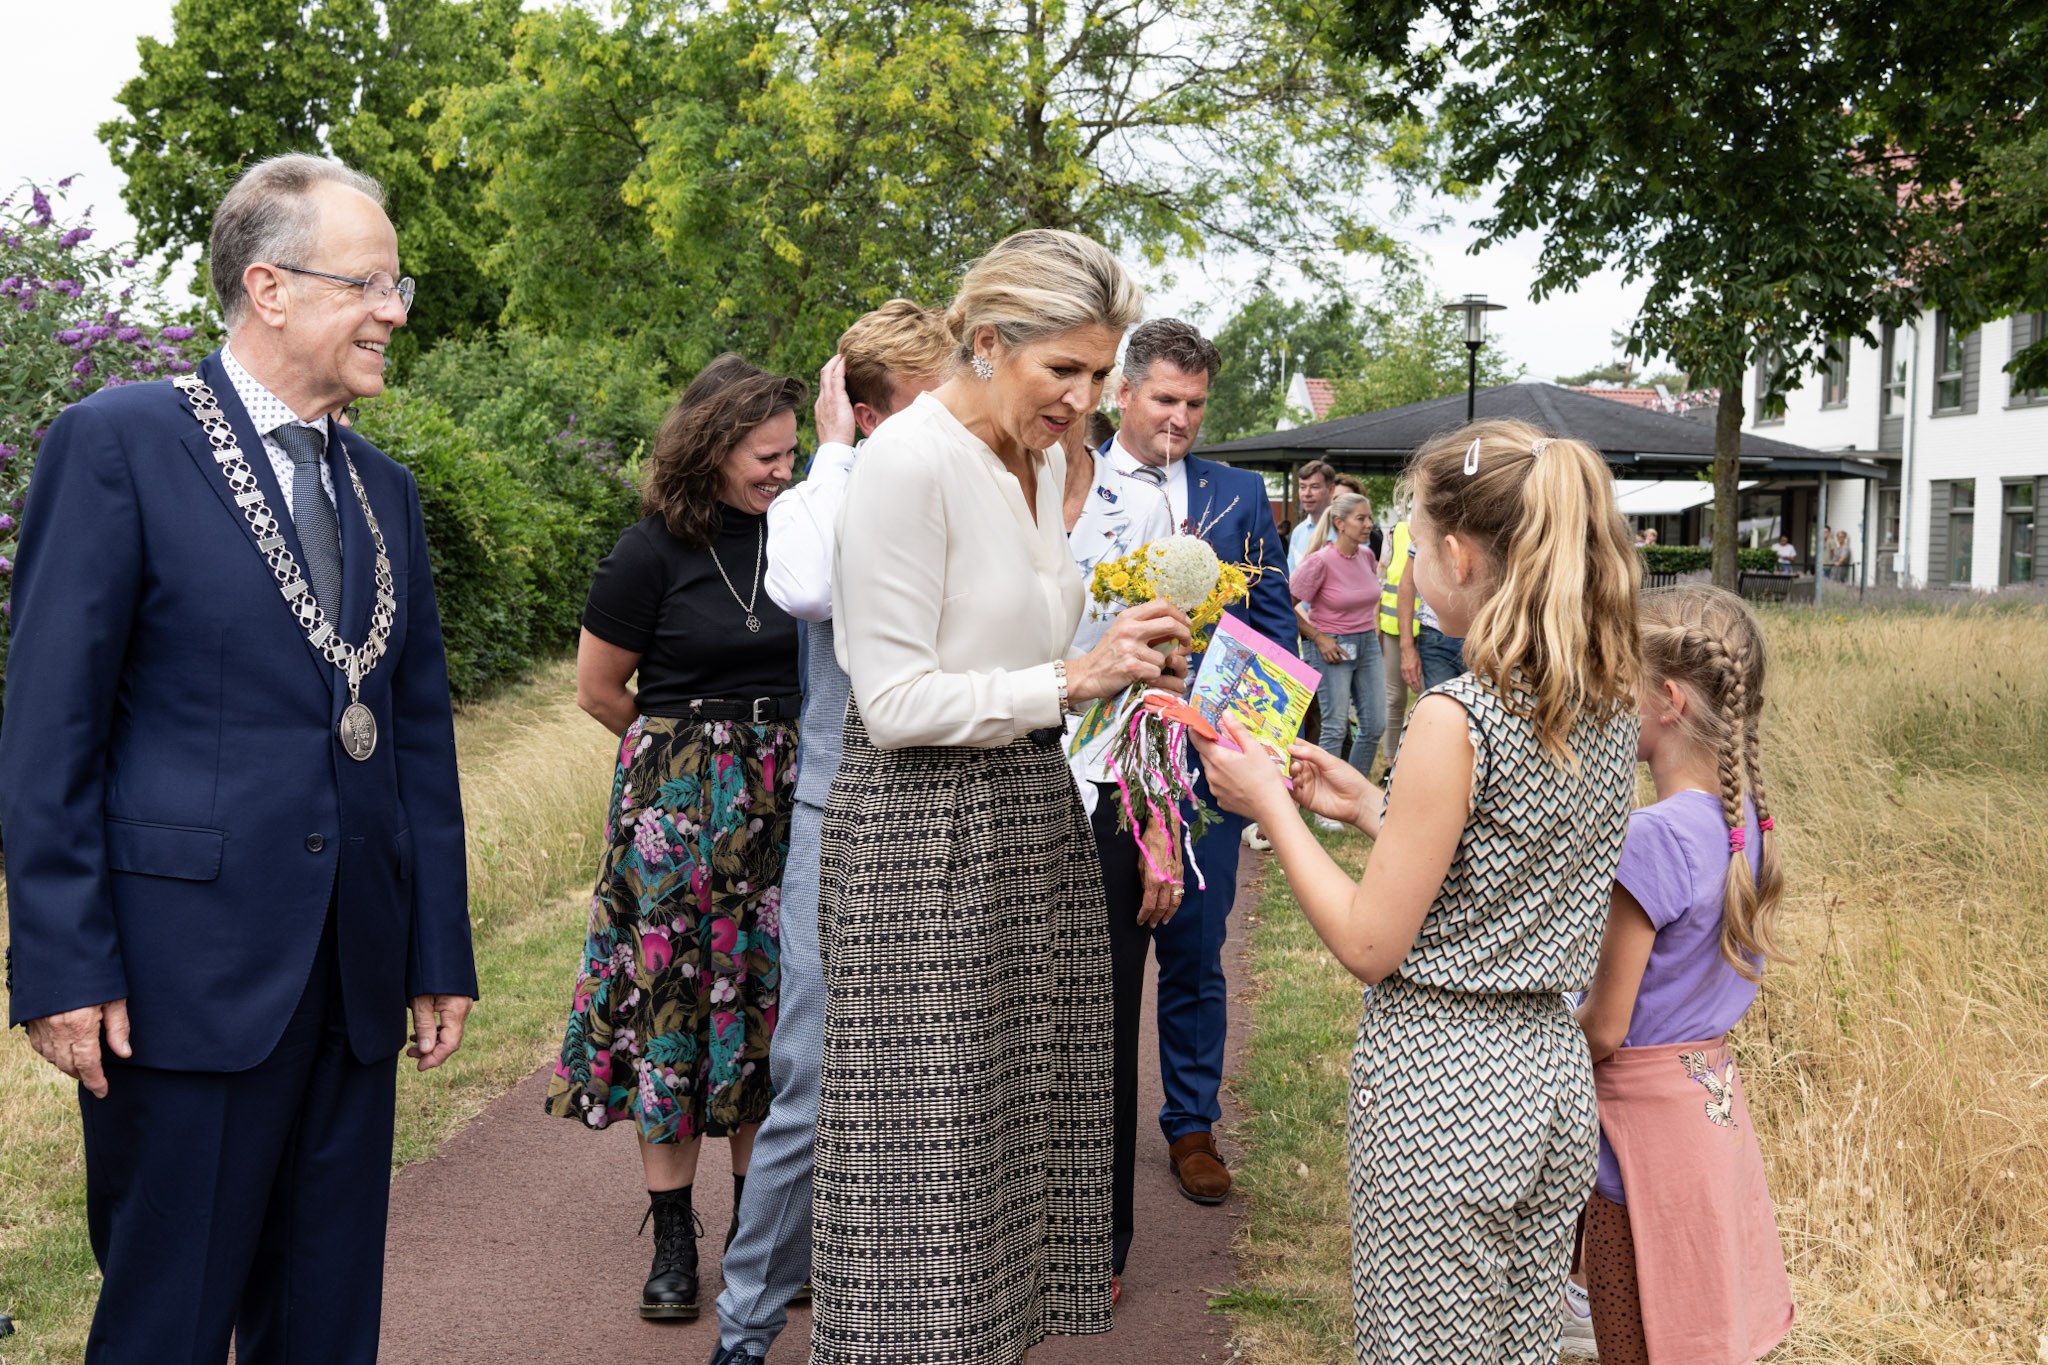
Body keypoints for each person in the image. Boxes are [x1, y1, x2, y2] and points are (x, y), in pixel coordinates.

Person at [0, 154, 475, 1363]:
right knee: (167, 1318)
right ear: (268, 287)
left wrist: (436, 949)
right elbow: (51, 729)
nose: (395, 310)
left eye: (397, 283)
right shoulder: (117, 443)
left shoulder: (384, 489)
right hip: (181, 979)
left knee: (324, 1324)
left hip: (353, 973)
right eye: (370, 283)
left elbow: (414, 735)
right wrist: (59, 964)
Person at [812, 229, 1191, 1364]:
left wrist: (1111, 653)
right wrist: (1071, 676)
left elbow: (1016, 650)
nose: (1083, 399)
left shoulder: (1027, 461)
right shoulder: (907, 462)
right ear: (986, 344)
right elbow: (891, 702)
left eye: (1097, 373)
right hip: (920, 834)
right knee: (928, 1166)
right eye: (1062, 371)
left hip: (1028, 809)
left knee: (1022, 1149)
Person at [1193, 419, 1642, 1363]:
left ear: (1455, 552)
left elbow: (1370, 942)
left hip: (1447, 1081)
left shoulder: (1457, 714)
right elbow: (1510, 853)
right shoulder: (1605, 701)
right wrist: (1370, 807)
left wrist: (1271, 804)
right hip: (1550, 1079)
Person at [708, 301, 955, 1365]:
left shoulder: (974, 489)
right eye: (933, 401)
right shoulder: (827, 495)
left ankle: (899, 1328)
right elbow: (801, 585)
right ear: (865, 413)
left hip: (952, 808)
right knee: (809, 1078)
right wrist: (835, 455)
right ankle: (747, 1328)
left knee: (937, 1088)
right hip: (841, 807)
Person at [543, 355, 804, 1322]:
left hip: (786, 811)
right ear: (711, 447)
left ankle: (758, 1230)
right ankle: (672, 1235)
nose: (784, 471)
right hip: (677, 825)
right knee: (675, 1019)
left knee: (769, 1020)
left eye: (791, 452)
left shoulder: (804, 537)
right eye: (765, 455)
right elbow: (599, 689)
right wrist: (692, 773)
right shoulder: (646, 552)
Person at [1574, 586, 1794, 1365]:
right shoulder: (1747, 826)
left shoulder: (1653, 838)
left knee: (1636, 1339)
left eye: (1618, 681)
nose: (1606, 698)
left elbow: (1604, 1026)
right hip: (1710, 1126)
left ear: (1667, 698)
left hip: (1633, 1150)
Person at [1103, 318, 1294, 1209]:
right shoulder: (1071, 480)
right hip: (1094, 754)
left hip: (1203, 758)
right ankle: (1087, 1130)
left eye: (1195, 405)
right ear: (1125, 392)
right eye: (1166, 400)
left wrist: (1259, 746)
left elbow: (1273, 621)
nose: (1180, 419)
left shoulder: (1238, 491)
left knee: (1196, 944)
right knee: (1094, 955)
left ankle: (1191, 1123)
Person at [1293, 491, 1386, 794]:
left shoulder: (1367, 556)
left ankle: (1353, 795)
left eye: (1369, 517)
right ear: (1339, 523)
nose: (1368, 524)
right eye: (1361, 518)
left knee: (1374, 724)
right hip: (1330, 646)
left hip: (1367, 643)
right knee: (1334, 727)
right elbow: (1284, 605)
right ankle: (1324, 799)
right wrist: (1319, 638)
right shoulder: (1319, 562)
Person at [1396, 535, 1467, 694]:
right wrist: (1406, 647)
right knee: (1442, 711)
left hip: (1482, 637)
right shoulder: (1427, 526)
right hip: (1436, 637)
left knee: (1483, 712)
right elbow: (1407, 584)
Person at [1375, 502, 1417, 771]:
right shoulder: (1397, 531)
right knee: (1395, 698)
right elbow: (1381, 576)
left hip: (1433, 628)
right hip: (1394, 625)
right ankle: (1391, 761)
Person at [1289, 459, 1337, 573]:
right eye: (1302, 487)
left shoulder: (1346, 529)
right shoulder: (1298, 532)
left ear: (1331, 490)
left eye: (1314, 487)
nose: (1307, 493)